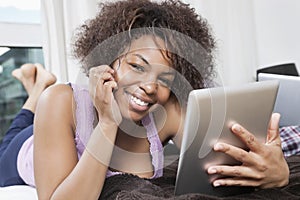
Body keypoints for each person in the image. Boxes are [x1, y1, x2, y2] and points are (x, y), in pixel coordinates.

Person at [0, 0, 289, 199]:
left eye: (165, 79)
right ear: (108, 60)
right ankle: (35, 90)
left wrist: (276, 171)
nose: (150, 87)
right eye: (137, 66)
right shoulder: (61, 102)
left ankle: (33, 87)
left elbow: (221, 160)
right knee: (11, 138)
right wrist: (108, 122)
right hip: (23, 151)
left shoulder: (166, 109)